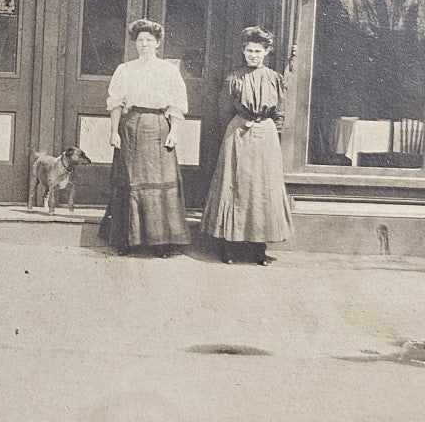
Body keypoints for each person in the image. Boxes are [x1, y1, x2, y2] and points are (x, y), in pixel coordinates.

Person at [99, 18, 191, 257]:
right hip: (131, 128)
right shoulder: (125, 70)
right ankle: (127, 240)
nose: (144, 45)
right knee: (130, 183)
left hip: (159, 127)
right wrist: (113, 131)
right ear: (135, 44)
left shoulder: (169, 71)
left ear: (158, 43)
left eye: (149, 40)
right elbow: (116, 103)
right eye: (140, 40)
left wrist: (174, 132)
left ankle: (161, 243)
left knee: (160, 185)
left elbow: (178, 105)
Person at [201, 26, 293, 265]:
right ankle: (229, 246)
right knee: (236, 186)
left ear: (266, 52)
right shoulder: (234, 78)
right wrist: (239, 127)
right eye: (250, 51)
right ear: (243, 52)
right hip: (239, 135)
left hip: (266, 137)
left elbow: (281, 113)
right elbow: (223, 112)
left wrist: (269, 132)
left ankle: (258, 247)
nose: (253, 55)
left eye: (258, 51)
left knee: (261, 188)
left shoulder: (274, 78)